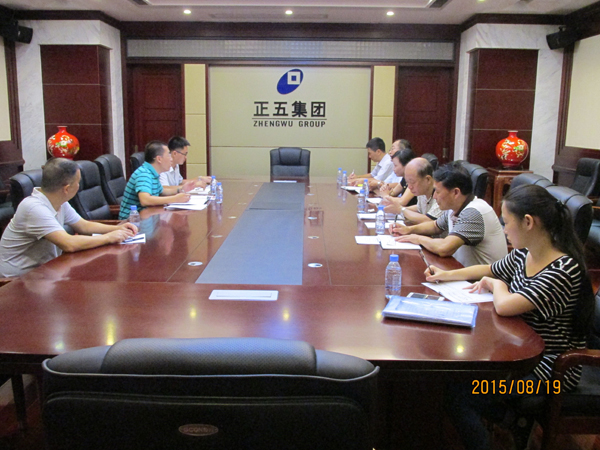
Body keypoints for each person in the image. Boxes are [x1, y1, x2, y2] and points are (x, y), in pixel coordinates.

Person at [425, 184, 594, 450]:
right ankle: (514, 420)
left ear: (528, 222)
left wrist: (497, 285)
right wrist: (445, 275)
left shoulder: (562, 269)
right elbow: (489, 269)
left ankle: (500, 432)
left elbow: (505, 305)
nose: (504, 229)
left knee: (460, 395)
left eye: (506, 222)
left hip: (549, 375)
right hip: (519, 356)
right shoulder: (525, 254)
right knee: (454, 383)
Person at [0, 158, 138, 277]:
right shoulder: (33, 208)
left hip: (45, 271)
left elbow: (83, 225)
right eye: (78, 182)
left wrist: (117, 228)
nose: (78, 186)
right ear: (66, 188)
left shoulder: (59, 201)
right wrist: (108, 238)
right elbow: (69, 244)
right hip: (18, 280)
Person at [391, 162, 507, 266]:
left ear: (455, 192)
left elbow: (444, 248)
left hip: (481, 281)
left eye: (438, 191)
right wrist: (408, 230)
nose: (434, 196)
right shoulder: (455, 208)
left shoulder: (474, 212)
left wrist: (417, 238)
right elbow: (435, 226)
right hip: (461, 273)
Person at [119, 140, 193, 220]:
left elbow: (162, 191)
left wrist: (181, 189)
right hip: (132, 222)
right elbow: (145, 200)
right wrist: (175, 199)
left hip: (148, 217)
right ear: (159, 159)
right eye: (168, 155)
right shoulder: (144, 174)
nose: (171, 159)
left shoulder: (153, 173)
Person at [383, 157, 442, 224]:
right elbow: (419, 208)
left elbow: (429, 220)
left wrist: (401, 210)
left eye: (412, 182)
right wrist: (395, 208)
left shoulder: (440, 194)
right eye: (407, 182)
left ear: (427, 179)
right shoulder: (422, 192)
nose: (409, 187)